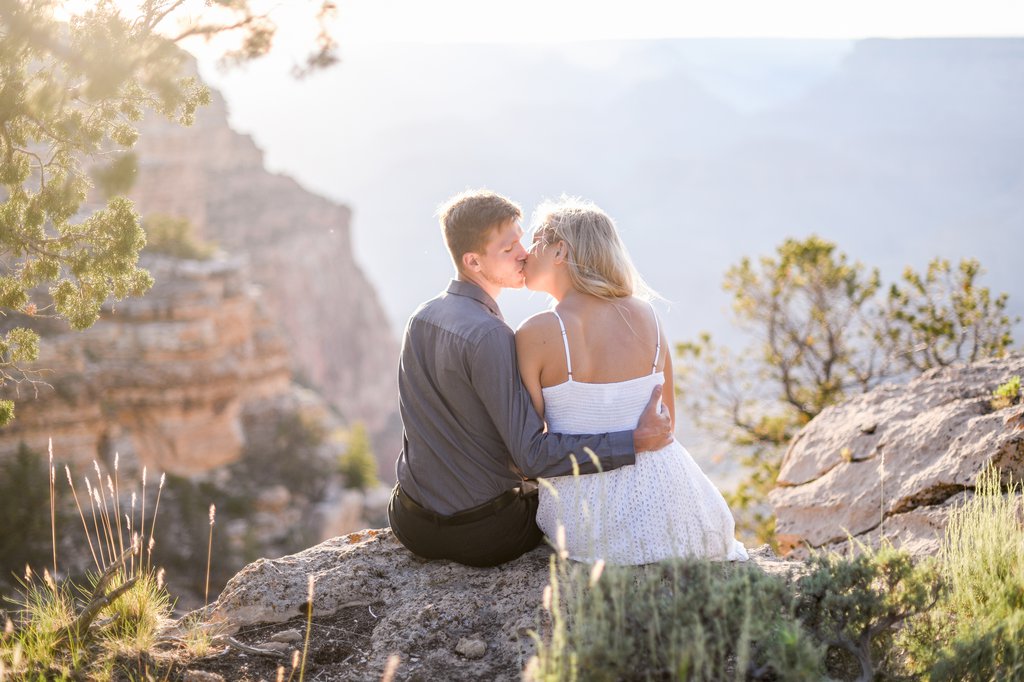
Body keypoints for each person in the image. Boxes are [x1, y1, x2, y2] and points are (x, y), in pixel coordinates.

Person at [388, 189, 673, 568]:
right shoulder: (492, 336)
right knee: (582, 509)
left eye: (521, 240)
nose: (523, 253)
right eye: (509, 249)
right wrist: (632, 441)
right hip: (484, 534)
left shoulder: (421, 317)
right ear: (473, 261)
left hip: (410, 522)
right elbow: (532, 457)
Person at [515, 196, 748, 564]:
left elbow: (532, 452)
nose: (526, 253)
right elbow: (666, 425)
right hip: (685, 510)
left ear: (560, 250)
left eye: (536, 241)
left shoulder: (536, 332)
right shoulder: (648, 315)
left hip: (591, 521)